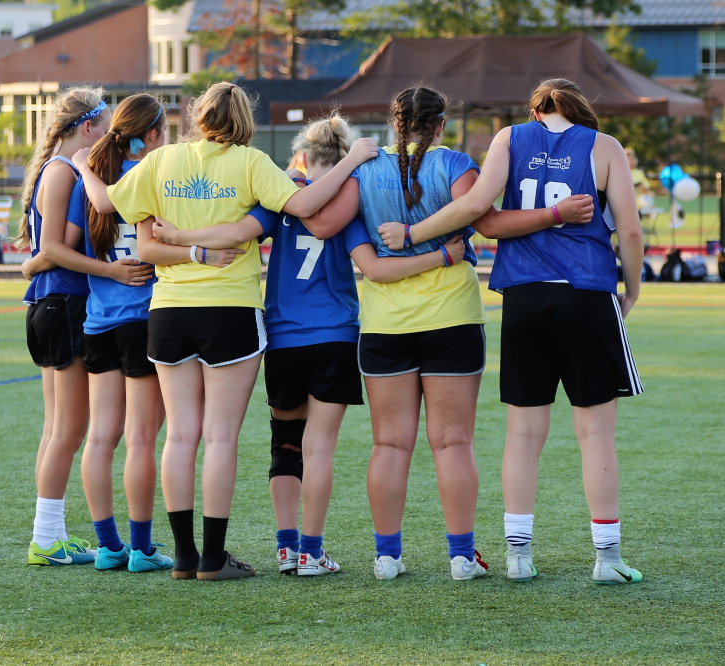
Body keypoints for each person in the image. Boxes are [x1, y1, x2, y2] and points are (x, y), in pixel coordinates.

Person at [74, 81, 379, 581]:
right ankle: (213, 558)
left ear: (198, 117)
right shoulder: (251, 162)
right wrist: (352, 159)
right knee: (219, 437)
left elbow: (107, 206)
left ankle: (184, 556)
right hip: (230, 310)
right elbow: (305, 208)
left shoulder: (162, 160)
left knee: (180, 437)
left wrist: (87, 163)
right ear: (243, 119)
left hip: (170, 310)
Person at [149, 113, 466, 578]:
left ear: (300, 157)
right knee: (319, 449)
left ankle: (285, 547)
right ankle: (311, 554)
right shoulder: (348, 208)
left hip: (282, 339)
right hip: (335, 337)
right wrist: (440, 256)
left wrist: (181, 239)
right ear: (345, 165)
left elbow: (237, 232)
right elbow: (373, 267)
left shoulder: (280, 202)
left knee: (285, 445)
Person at [301, 86, 593, 582]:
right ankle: (462, 556)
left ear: (394, 125)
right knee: (453, 443)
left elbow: (320, 221)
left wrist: (339, 167)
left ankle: (386, 557)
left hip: (385, 324)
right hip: (452, 318)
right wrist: (554, 215)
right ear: (440, 126)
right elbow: (492, 221)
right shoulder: (456, 164)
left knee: (389, 445)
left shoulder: (365, 170)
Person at [380, 79, 644, 584]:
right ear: (579, 110)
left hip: (524, 299)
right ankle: (607, 559)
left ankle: (518, 556)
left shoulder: (509, 138)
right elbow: (629, 230)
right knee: (596, 434)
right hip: (586, 293)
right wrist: (631, 289)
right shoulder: (603, 145)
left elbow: (477, 207)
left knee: (523, 434)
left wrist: (413, 233)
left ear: (535, 109)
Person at [56, 94, 245, 574]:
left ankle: (107, 546)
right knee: (143, 438)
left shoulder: (92, 175)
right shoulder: (159, 172)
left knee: (100, 437)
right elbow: (154, 243)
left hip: (99, 320)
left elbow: (71, 243)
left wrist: (81, 166)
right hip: (144, 318)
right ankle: (141, 549)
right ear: (155, 134)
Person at [16, 86, 152, 568]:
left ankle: (50, 533)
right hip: (65, 305)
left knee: (60, 429)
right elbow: (52, 249)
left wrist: (33, 267)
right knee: (69, 430)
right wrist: (112, 271)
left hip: (52, 303)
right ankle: (46, 537)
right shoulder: (63, 171)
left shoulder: (64, 169)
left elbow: (41, 254)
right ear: (88, 127)